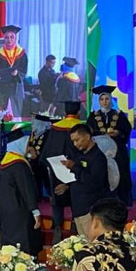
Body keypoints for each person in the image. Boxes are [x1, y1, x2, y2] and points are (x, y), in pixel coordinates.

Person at [40, 101, 81, 243]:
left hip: (57, 170)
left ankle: (57, 231)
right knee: (76, 201)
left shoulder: (56, 128)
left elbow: (46, 154)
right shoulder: (81, 128)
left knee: (57, 200)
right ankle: (76, 231)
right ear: (79, 113)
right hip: (76, 170)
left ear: (64, 113)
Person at [60, 124, 111, 236]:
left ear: (87, 136)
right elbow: (80, 178)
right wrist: (67, 185)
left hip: (91, 210)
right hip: (78, 209)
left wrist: (74, 167)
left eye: (77, 140)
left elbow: (95, 182)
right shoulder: (80, 156)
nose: (75, 144)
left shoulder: (98, 157)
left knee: (92, 244)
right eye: (73, 141)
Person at [0, 128, 43, 256]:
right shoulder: (19, 165)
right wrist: (35, 211)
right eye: (27, 144)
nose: (28, 148)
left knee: (11, 244)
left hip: (7, 209)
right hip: (20, 209)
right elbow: (26, 189)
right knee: (24, 244)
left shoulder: (7, 161)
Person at [86, 85, 133, 205]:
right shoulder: (93, 116)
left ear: (111, 99)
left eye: (107, 99)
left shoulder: (119, 114)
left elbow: (127, 130)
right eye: (102, 99)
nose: (104, 102)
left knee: (121, 173)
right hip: (99, 151)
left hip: (117, 151)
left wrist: (118, 133)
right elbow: (89, 132)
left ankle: (121, 201)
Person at [0, 25, 27, 116]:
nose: (9, 40)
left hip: (16, 89)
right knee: (3, 114)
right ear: (4, 39)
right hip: (3, 89)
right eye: (6, 37)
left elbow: (24, 70)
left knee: (15, 114)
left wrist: (17, 73)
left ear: (15, 39)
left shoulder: (22, 54)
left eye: (11, 37)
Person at [27, 113, 53, 198]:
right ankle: (37, 195)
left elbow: (46, 149)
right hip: (35, 161)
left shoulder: (48, 134)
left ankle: (51, 195)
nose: (33, 125)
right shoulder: (34, 134)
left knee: (47, 179)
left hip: (44, 161)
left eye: (35, 123)